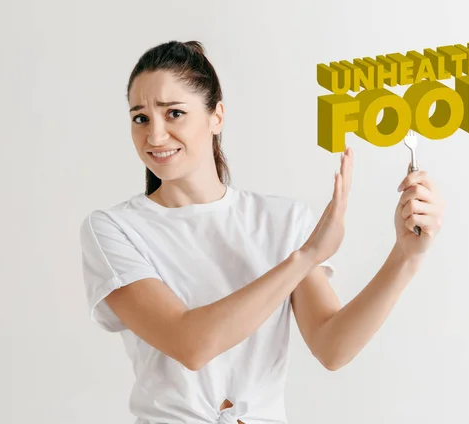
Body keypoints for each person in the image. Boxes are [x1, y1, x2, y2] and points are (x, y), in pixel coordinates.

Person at [79, 40, 445, 424]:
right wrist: (305, 257)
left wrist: (406, 256)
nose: (155, 136)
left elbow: (332, 347)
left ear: (216, 116)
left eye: (174, 113)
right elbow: (189, 344)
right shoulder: (114, 229)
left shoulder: (280, 220)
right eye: (141, 118)